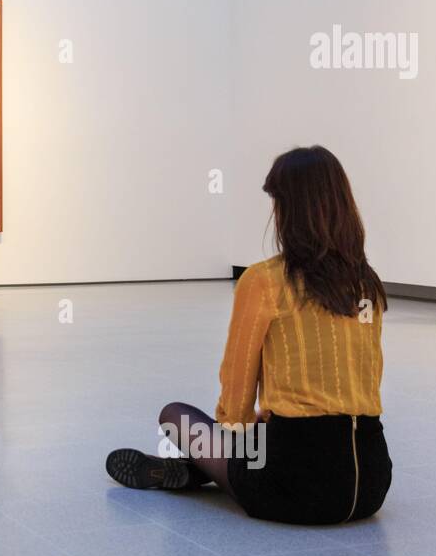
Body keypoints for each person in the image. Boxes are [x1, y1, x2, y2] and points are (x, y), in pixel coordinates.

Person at [106, 146, 392, 524]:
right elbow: (368, 379)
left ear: (287, 209)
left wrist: (241, 433)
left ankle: (200, 469)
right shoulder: (366, 283)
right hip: (372, 485)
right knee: (266, 432)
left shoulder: (264, 280)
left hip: (296, 488)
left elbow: (236, 393)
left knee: (175, 416)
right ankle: (205, 469)